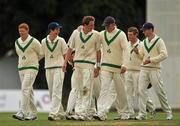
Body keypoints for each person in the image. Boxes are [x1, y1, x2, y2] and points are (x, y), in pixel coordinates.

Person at [63, 16, 101, 120]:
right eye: (91, 25)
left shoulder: (96, 35)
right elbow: (70, 49)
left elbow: (98, 51)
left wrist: (98, 66)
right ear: (84, 25)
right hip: (77, 65)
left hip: (89, 65)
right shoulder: (76, 33)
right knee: (78, 89)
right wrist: (65, 63)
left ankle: (85, 113)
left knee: (86, 89)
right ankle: (79, 112)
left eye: (93, 25)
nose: (93, 27)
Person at [93, 16, 130, 121]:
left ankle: (124, 112)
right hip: (105, 67)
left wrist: (125, 65)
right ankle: (101, 113)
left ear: (113, 24)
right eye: (105, 26)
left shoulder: (121, 34)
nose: (106, 28)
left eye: (108, 26)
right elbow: (95, 44)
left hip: (119, 68)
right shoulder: (102, 34)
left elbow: (126, 50)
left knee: (121, 91)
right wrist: (80, 30)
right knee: (104, 89)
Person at [136, 22, 173, 120]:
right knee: (141, 91)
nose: (143, 32)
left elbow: (164, 54)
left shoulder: (159, 41)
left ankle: (168, 112)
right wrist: (137, 53)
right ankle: (142, 114)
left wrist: (151, 60)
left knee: (159, 91)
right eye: (143, 30)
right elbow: (142, 56)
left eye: (145, 30)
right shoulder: (143, 42)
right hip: (144, 69)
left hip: (155, 69)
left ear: (151, 30)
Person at [118, 27, 155, 119]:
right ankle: (130, 113)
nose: (129, 36)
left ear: (136, 35)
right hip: (128, 71)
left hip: (139, 71)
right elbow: (124, 57)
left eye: (131, 35)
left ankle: (151, 107)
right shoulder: (126, 44)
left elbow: (145, 58)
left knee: (140, 93)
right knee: (128, 93)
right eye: (128, 34)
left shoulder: (141, 45)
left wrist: (138, 53)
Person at [12, 23, 42, 121]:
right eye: (20, 31)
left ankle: (22, 112)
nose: (21, 33)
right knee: (29, 91)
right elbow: (19, 54)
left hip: (32, 67)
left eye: (23, 32)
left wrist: (34, 61)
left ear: (27, 31)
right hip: (21, 68)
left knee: (25, 88)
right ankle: (33, 114)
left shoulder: (34, 41)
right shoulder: (17, 42)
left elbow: (41, 53)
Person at [41, 22, 67, 121]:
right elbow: (41, 54)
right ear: (51, 30)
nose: (58, 31)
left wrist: (65, 64)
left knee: (57, 90)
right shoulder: (43, 41)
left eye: (59, 29)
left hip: (59, 68)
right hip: (48, 68)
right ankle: (60, 112)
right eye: (57, 29)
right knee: (52, 92)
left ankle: (53, 113)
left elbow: (65, 54)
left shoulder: (61, 40)